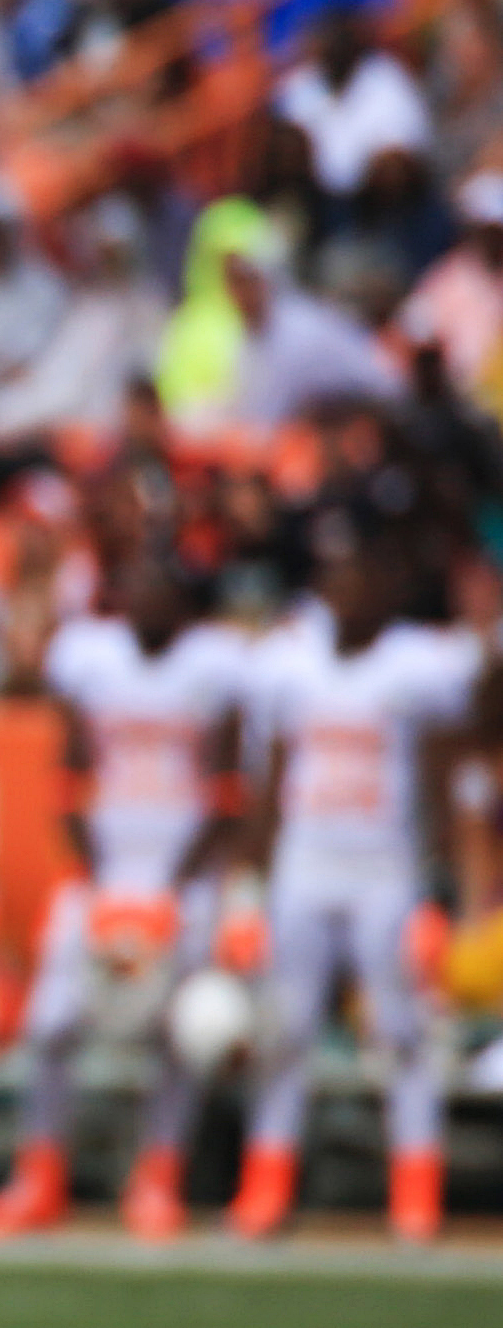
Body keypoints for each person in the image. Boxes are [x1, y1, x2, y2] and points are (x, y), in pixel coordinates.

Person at [231, 525, 500, 1243]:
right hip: (304, 865)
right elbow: (271, 772)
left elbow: (455, 752)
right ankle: (267, 1180)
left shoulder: (416, 664)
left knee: (404, 1030)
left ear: (386, 593)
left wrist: (447, 872)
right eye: (336, 586)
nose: (345, 599)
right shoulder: (293, 663)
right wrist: (252, 878)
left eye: (359, 585)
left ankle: (415, 1186)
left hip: (385, 869)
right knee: (285, 1028)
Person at [0, 556, 247, 1239]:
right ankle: (40, 1174)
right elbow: (69, 777)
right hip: (103, 872)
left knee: (179, 1034)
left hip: (181, 877)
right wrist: (100, 882)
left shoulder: (214, 665)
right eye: (140, 586)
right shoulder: (91, 657)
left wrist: (171, 891)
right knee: (50, 1024)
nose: (148, 600)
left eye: (162, 588)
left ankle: (159, 1177)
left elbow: (225, 792)